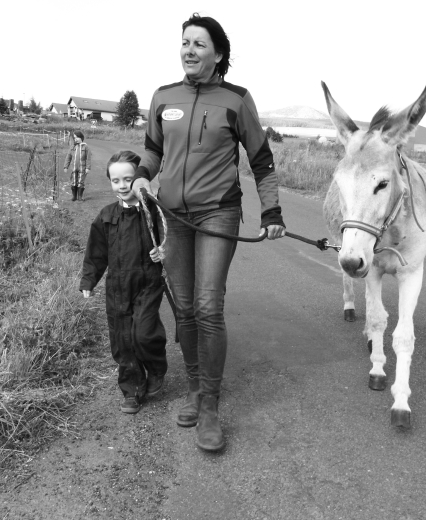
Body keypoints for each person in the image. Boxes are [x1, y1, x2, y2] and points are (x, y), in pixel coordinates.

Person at [131, 13, 285, 452]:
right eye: (185, 42)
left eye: (199, 44)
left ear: (218, 54)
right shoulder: (163, 96)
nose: (189, 50)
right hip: (173, 217)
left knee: (207, 305)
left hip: (218, 213)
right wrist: (143, 175)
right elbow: (153, 150)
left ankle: (212, 407)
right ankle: (196, 388)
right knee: (182, 308)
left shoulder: (236, 100)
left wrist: (271, 211)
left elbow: (261, 160)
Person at [80, 150, 168, 414]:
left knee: (143, 333)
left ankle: (155, 369)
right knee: (122, 341)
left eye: (128, 179)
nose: (122, 186)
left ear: (141, 179)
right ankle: (132, 390)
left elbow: (170, 239)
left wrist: (164, 250)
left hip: (148, 284)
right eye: (115, 180)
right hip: (117, 288)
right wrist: (88, 280)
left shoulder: (154, 212)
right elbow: (96, 253)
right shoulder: (106, 216)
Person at [64, 130, 91, 201]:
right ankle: (74, 196)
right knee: (74, 181)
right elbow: (68, 157)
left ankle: (80, 197)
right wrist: (66, 166)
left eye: (76, 138)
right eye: (74, 138)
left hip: (82, 168)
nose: (75, 139)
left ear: (81, 137)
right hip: (74, 168)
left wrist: (88, 168)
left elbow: (88, 158)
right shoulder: (72, 147)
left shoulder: (85, 147)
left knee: (81, 182)